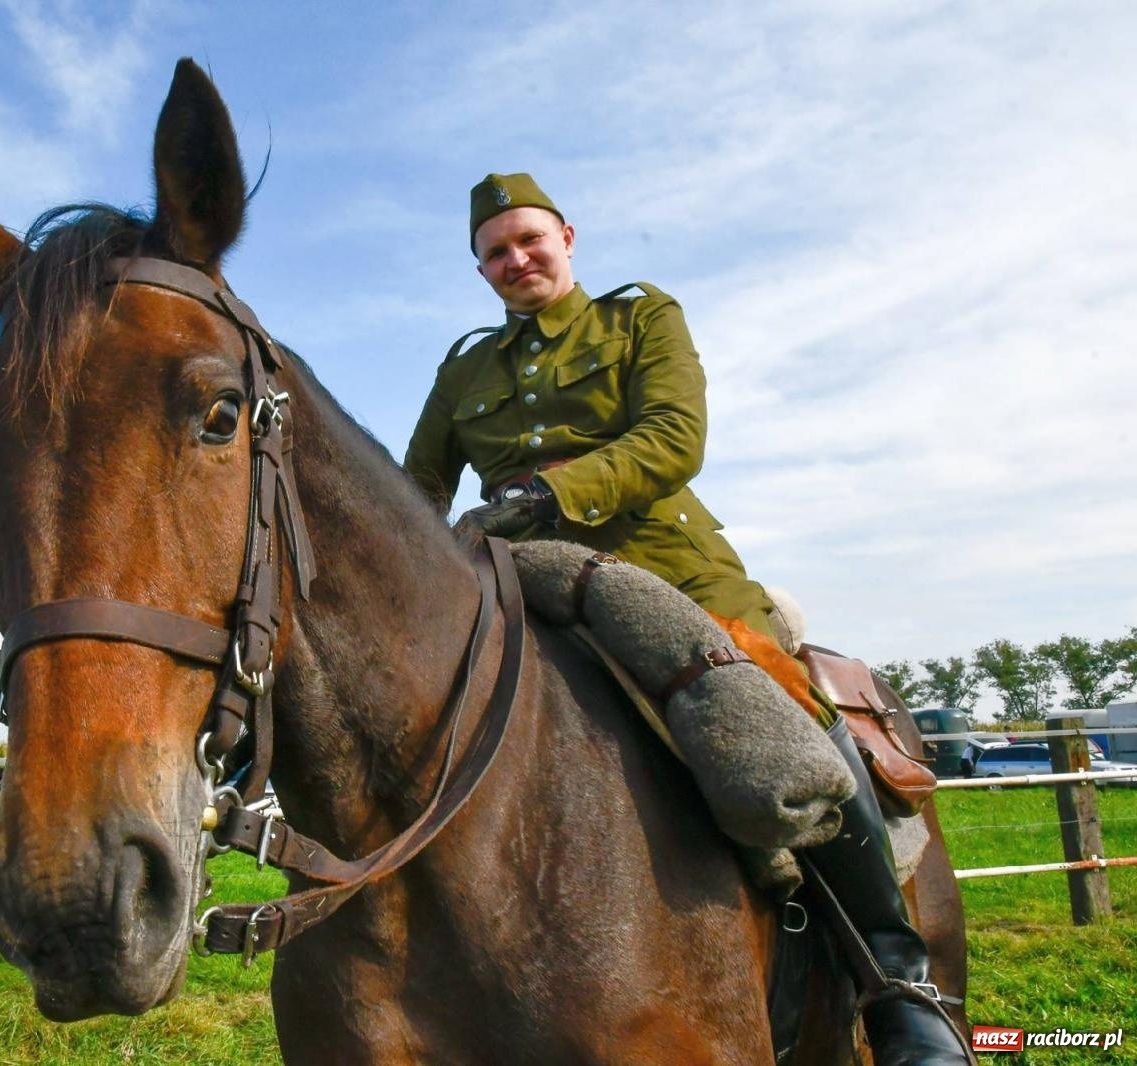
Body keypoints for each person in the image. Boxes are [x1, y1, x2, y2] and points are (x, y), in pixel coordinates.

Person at [404, 174, 970, 1065]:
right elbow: (422, 487)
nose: (516, 261)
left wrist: (548, 490)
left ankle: (902, 990)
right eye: (495, 254)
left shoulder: (638, 320)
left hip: (670, 576)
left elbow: (674, 435)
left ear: (567, 238)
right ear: (480, 272)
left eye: (529, 242)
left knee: (789, 718)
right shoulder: (464, 367)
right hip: (520, 587)